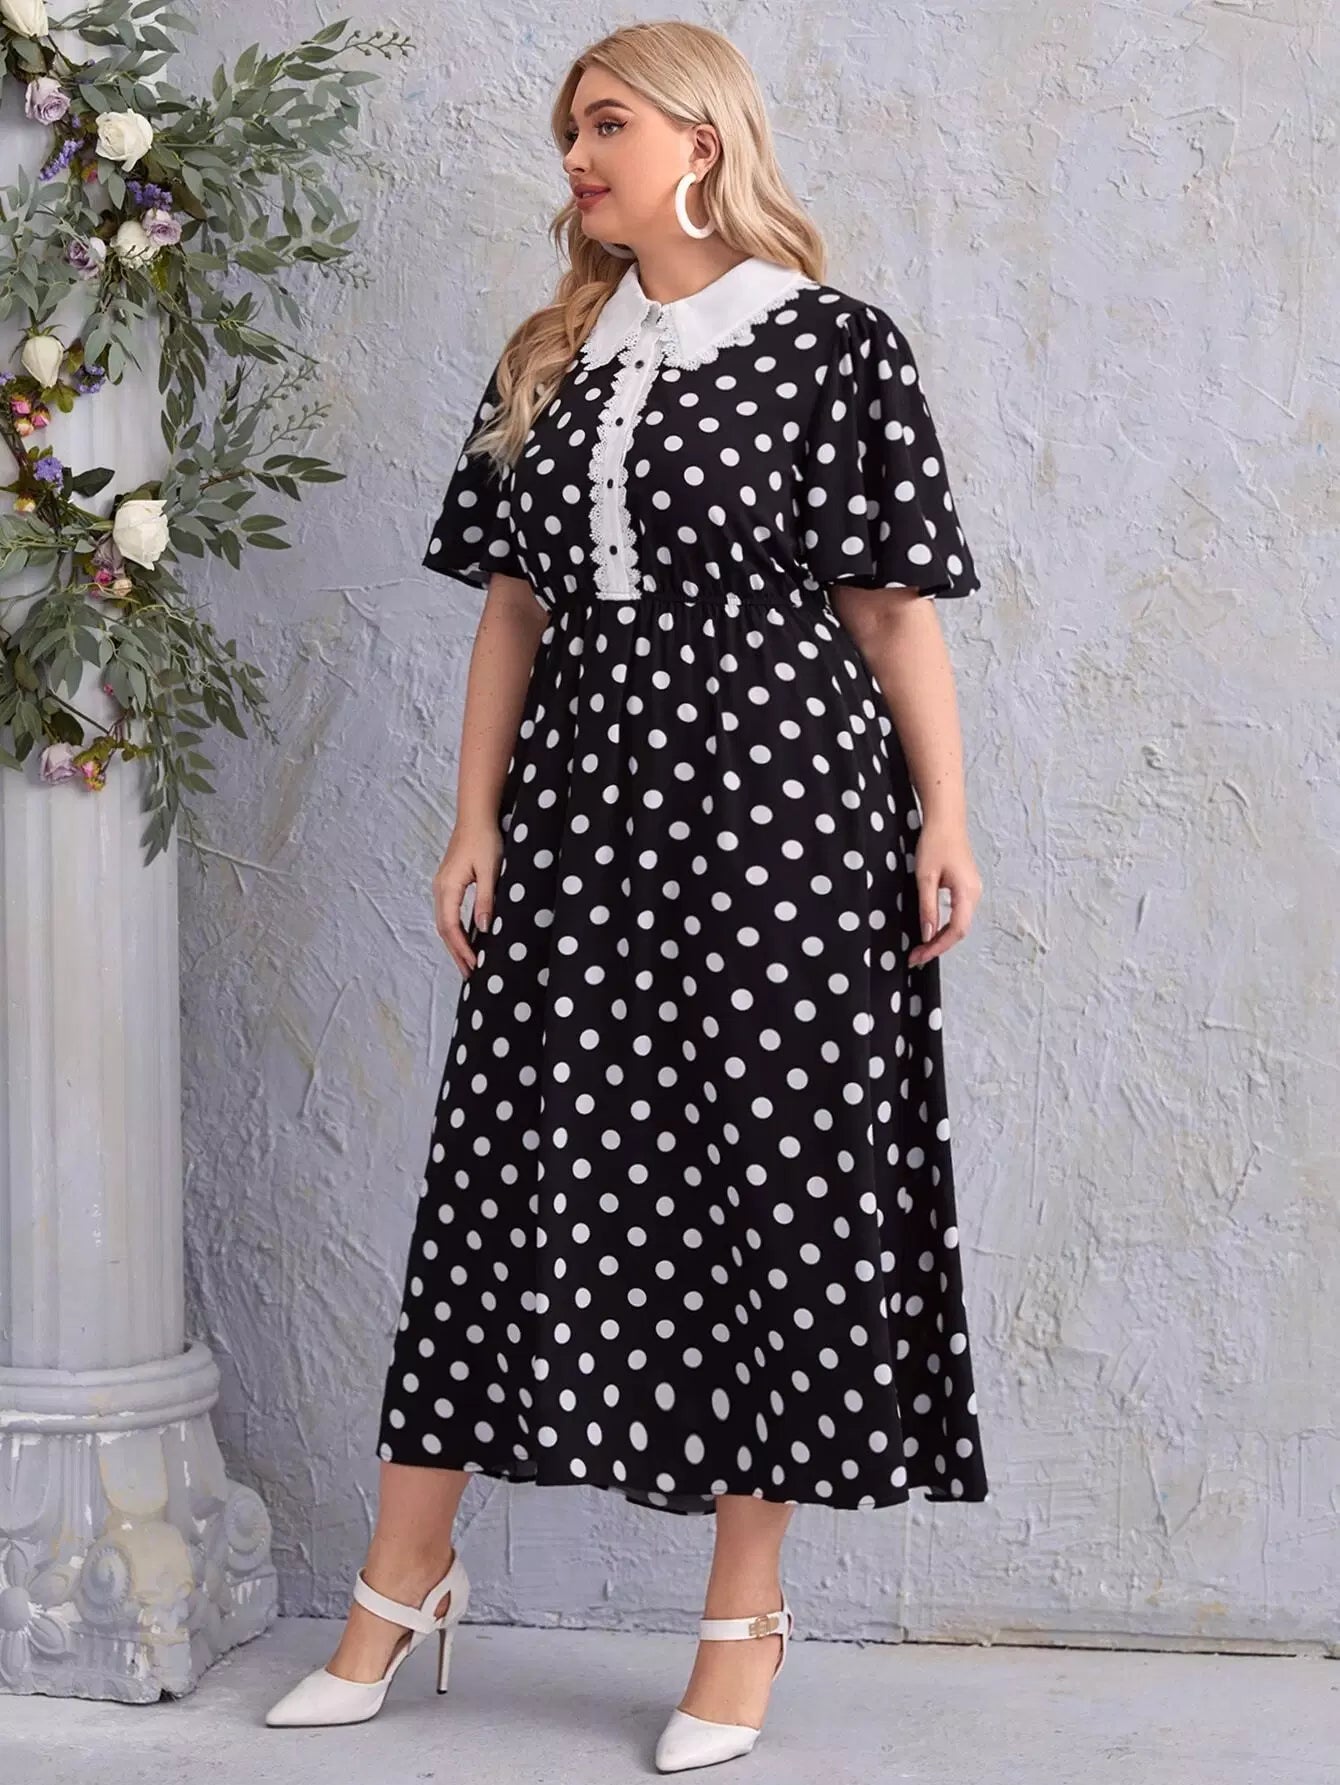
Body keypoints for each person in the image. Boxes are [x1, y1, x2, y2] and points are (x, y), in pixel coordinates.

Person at [265, 19, 990, 1772]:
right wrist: (474, 820)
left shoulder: (834, 344)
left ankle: (744, 1617)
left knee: (773, 1182)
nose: (576, 159)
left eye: (605, 125)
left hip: (787, 819)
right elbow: (513, 606)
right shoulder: (552, 354)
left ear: (701, 140)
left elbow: (890, 610)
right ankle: (401, 1577)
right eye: (567, 132)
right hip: (584, 817)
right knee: (500, 1169)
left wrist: (946, 818)